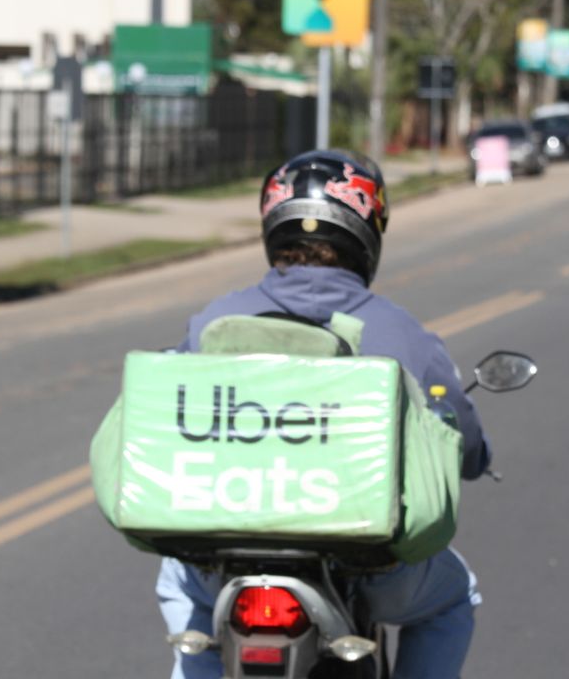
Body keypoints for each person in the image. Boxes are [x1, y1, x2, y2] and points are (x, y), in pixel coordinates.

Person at [156, 149, 492, 679]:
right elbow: (463, 444)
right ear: (367, 229)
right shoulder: (402, 334)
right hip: (370, 573)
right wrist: (475, 456)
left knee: (179, 581)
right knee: (455, 596)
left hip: (225, 570)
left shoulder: (213, 323)